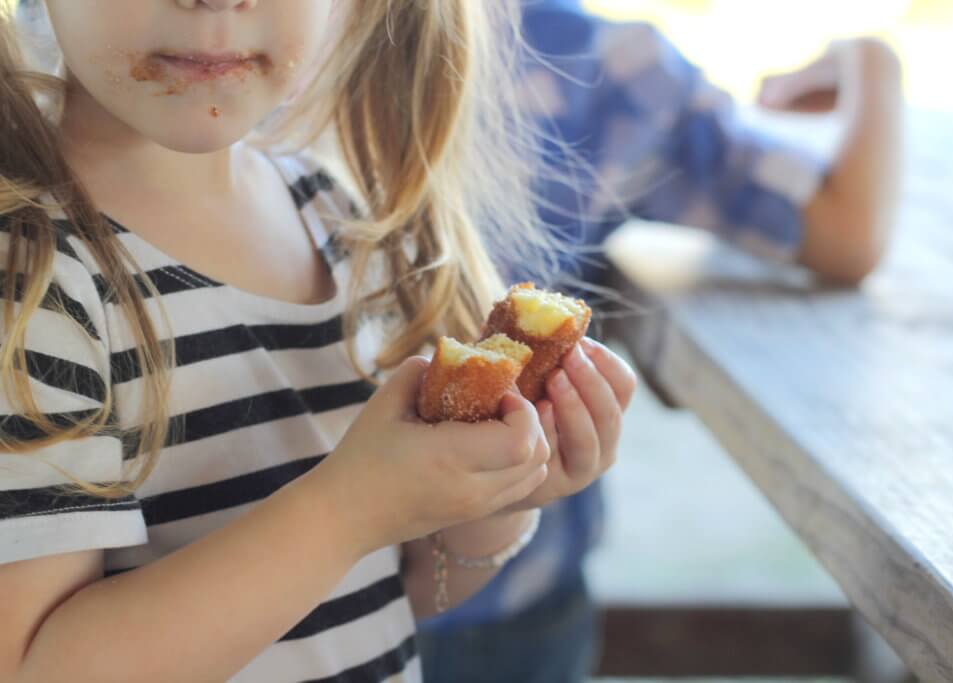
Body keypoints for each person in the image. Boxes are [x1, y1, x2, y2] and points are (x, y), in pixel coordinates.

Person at [0, 1, 637, 682]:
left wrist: (493, 508)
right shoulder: (30, 278)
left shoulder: (336, 218)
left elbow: (379, 596)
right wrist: (348, 509)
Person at [416, 1, 904, 682]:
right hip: (507, 590)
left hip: (271, 592)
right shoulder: (608, 66)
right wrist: (870, 60)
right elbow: (848, 234)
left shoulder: (256, 42)